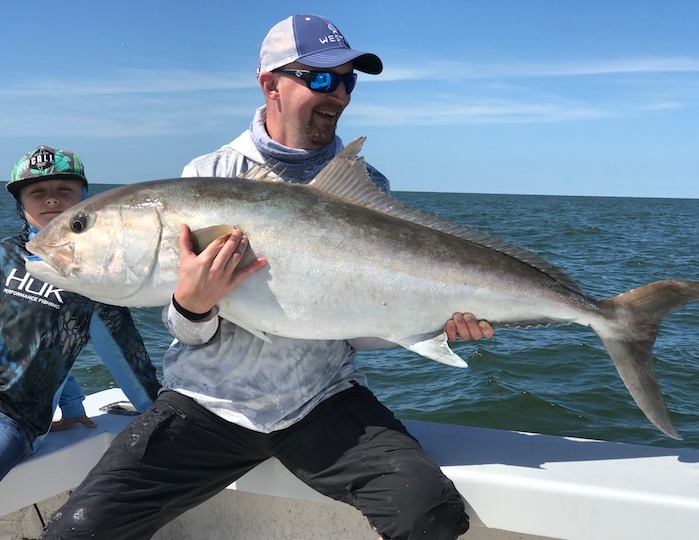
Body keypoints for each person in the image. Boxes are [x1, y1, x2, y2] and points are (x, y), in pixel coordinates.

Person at [41, 15, 493, 540]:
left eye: (348, 80)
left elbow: (358, 325)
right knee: (77, 532)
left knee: (429, 514)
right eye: (320, 78)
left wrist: (435, 324)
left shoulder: (365, 185)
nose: (339, 94)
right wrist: (192, 306)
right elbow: (184, 328)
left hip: (321, 400)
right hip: (207, 403)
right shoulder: (208, 176)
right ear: (270, 84)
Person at [0, 146, 161, 501]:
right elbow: (33, 340)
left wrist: (155, 416)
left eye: (64, 190)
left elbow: (126, 356)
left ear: (85, 199)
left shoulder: (95, 278)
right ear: (21, 203)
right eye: (37, 192)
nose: (50, 201)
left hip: (14, 418)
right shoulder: (4, 253)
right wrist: (73, 405)